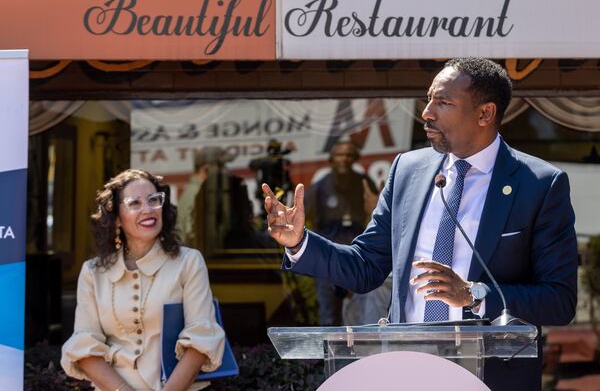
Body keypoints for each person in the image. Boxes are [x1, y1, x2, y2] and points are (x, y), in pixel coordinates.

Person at [262, 58, 578, 390]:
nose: (426, 112)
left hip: (492, 377)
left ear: (485, 114)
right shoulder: (408, 170)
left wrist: (474, 295)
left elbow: (559, 301)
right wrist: (300, 242)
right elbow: (365, 266)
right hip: (406, 373)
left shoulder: (540, 184)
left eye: (443, 102)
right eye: (428, 99)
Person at [61, 169, 225, 391]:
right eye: (134, 203)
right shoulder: (92, 272)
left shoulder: (189, 262)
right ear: (117, 218)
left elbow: (201, 339)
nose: (148, 209)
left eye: (153, 200)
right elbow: (85, 348)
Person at [304, 140, 388, 326]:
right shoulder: (320, 187)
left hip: (357, 256)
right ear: (331, 159)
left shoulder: (364, 182)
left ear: (355, 159)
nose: (344, 159)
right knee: (329, 315)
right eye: (340, 155)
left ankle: (360, 355)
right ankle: (329, 355)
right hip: (328, 257)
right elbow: (303, 216)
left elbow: (378, 214)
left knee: (362, 314)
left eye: (349, 155)